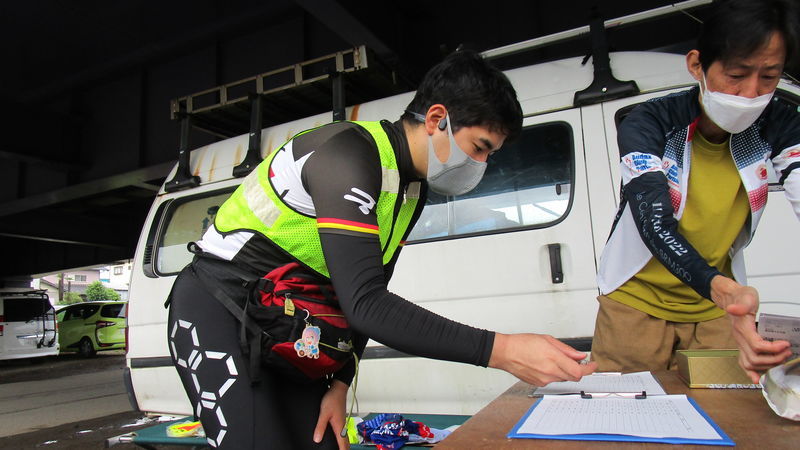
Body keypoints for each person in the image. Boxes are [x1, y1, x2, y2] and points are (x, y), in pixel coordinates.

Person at [167, 49, 596, 449]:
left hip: (284, 326)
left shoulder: (411, 189)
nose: (481, 165)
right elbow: (366, 305)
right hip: (219, 309)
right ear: (437, 119)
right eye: (480, 147)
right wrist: (504, 351)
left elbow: (369, 286)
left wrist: (338, 386)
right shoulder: (347, 155)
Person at [592, 0, 799, 382]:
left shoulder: (781, 125)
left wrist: (723, 296)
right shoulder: (650, 123)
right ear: (697, 65)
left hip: (716, 311)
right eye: (736, 75)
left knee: (727, 409)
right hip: (634, 305)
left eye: (769, 77)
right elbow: (653, 222)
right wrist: (721, 289)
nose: (751, 93)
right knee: (626, 411)